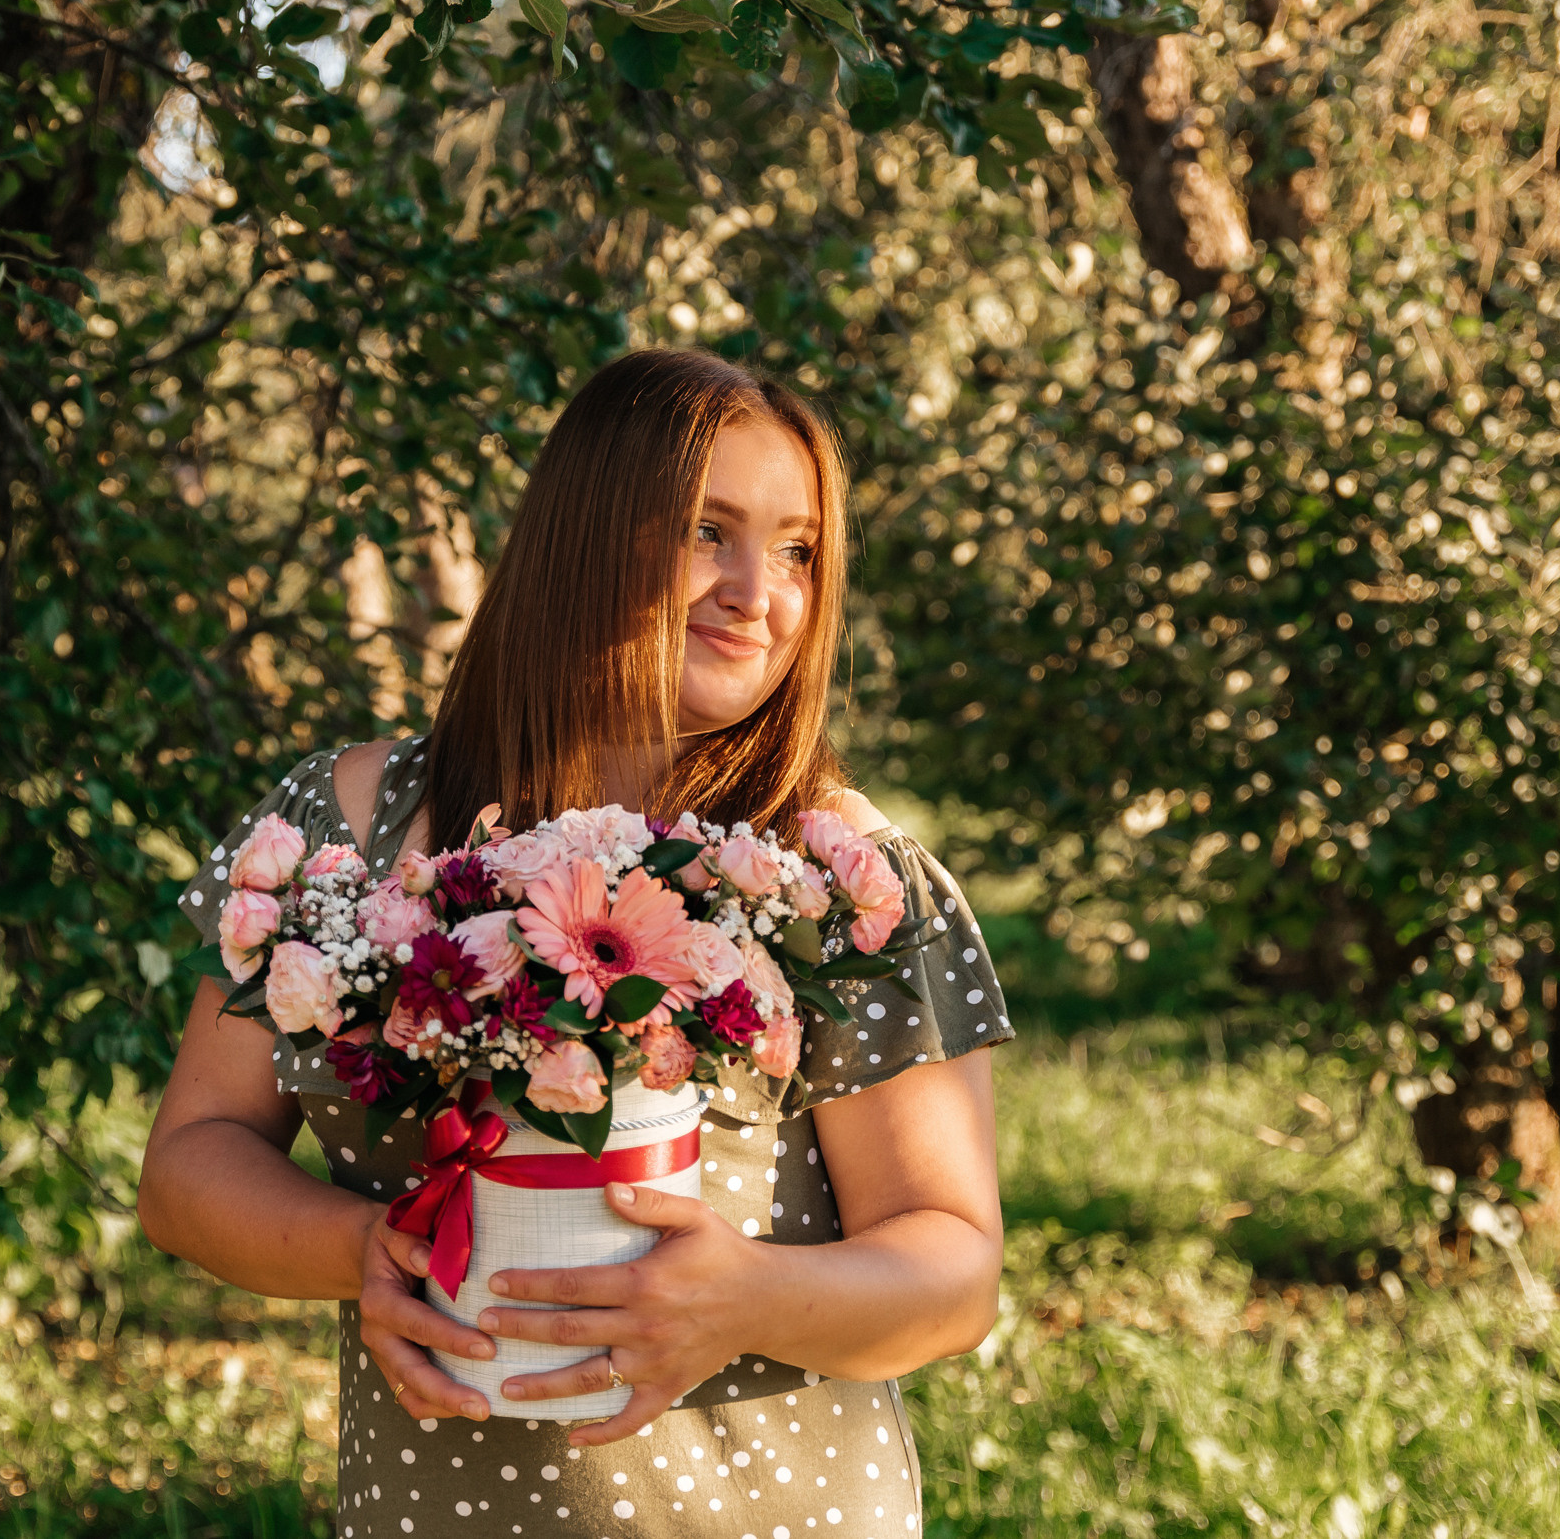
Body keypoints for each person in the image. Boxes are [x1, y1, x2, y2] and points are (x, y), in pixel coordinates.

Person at [140, 349, 1012, 1539]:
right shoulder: (346, 827)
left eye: (799, 550)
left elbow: (953, 1272)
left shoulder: (836, 876)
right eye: (709, 532)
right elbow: (189, 1167)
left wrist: (747, 1297)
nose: (758, 592)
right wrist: (366, 1252)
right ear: (585, 535)